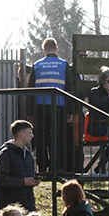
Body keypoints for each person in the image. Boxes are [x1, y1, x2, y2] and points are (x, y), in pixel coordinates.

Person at [28, 39, 76, 173]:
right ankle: (57, 167)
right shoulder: (63, 65)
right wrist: (69, 111)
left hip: (40, 106)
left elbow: (30, 90)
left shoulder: (37, 65)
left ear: (44, 50)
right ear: (56, 49)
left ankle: (42, 167)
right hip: (59, 106)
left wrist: (30, 113)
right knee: (59, 137)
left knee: (41, 137)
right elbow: (69, 89)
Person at [0, 119, 40, 212]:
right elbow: (0, 179)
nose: (32, 136)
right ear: (21, 135)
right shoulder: (6, 154)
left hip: (28, 204)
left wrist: (34, 180)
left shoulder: (28, 154)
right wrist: (23, 182)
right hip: (11, 207)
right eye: (30, 133)